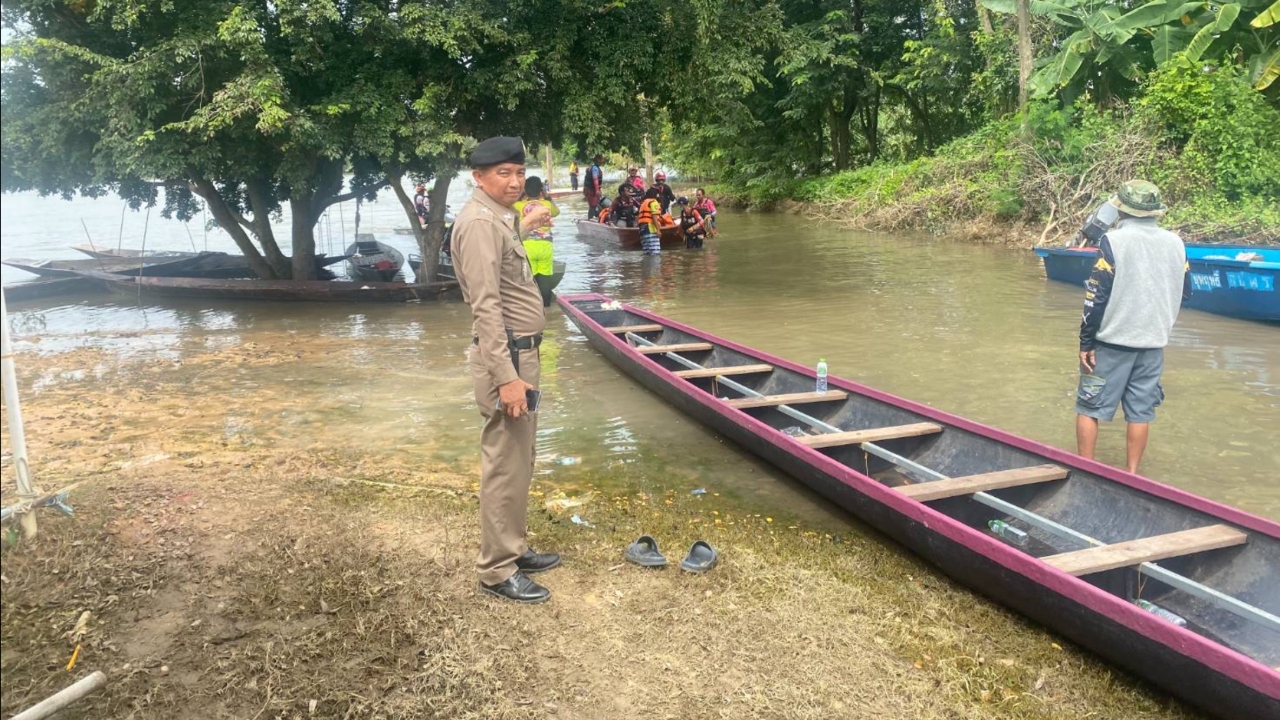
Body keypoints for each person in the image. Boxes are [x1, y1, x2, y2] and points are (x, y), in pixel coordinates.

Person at [450, 136, 560, 604]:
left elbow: (504, 245)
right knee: (504, 463)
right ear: (478, 177)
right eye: (503, 174)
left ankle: (512, 547)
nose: (515, 182)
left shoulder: (498, 216)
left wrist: (525, 222)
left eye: (519, 172)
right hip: (507, 358)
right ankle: (496, 570)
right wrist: (507, 378)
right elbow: (486, 308)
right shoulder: (479, 224)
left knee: (520, 459)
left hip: (521, 354)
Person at [1076, 180, 1191, 475]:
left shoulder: (1112, 241)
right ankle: (1132, 474)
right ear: (1155, 211)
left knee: (1088, 406)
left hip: (1110, 345)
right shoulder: (1176, 243)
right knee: (1141, 412)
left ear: (1122, 210)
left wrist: (1086, 342)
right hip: (1153, 345)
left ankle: (1084, 469)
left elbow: (1095, 297)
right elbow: (1186, 291)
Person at [514, 176, 561, 307]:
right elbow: (556, 212)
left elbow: (509, 210)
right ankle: (547, 308)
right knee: (545, 277)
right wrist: (547, 196)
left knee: (530, 278)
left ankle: (533, 307)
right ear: (541, 190)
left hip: (527, 245)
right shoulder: (547, 204)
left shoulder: (517, 205)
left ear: (525, 190)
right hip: (545, 244)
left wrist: (521, 194)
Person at [637, 186, 673, 255]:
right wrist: (658, 230)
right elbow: (654, 217)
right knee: (655, 253)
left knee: (647, 253)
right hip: (650, 229)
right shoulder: (653, 202)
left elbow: (638, 218)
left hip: (642, 230)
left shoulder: (643, 203)